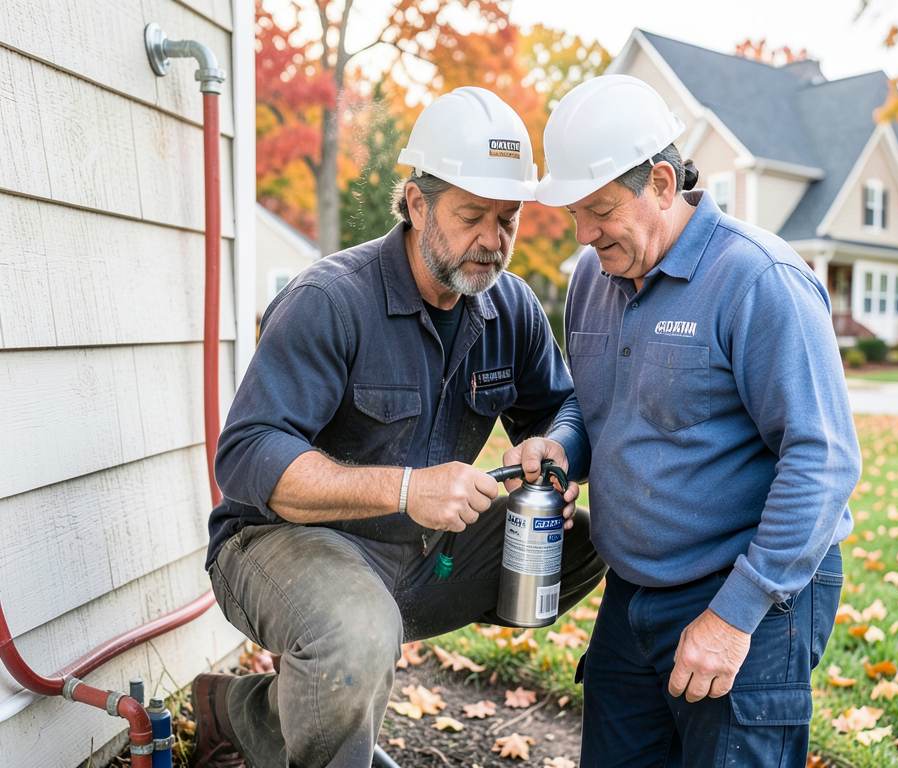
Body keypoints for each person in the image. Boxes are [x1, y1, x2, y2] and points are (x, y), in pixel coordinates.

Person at [191, 86, 605, 768]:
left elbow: (566, 406)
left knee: (583, 541)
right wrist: (409, 488)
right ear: (416, 204)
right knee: (355, 630)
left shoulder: (510, 307)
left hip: (414, 557)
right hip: (276, 544)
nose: (493, 242)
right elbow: (246, 457)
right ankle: (338, 686)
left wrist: (555, 447)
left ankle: (248, 710)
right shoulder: (331, 300)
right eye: (472, 216)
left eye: (509, 220)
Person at [532, 74, 862, 767]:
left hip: (752, 588)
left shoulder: (759, 279)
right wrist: (563, 445)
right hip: (633, 593)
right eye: (574, 214)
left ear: (659, 181)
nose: (585, 234)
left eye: (598, 208)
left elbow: (821, 458)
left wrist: (735, 614)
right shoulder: (592, 279)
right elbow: (597, 403)